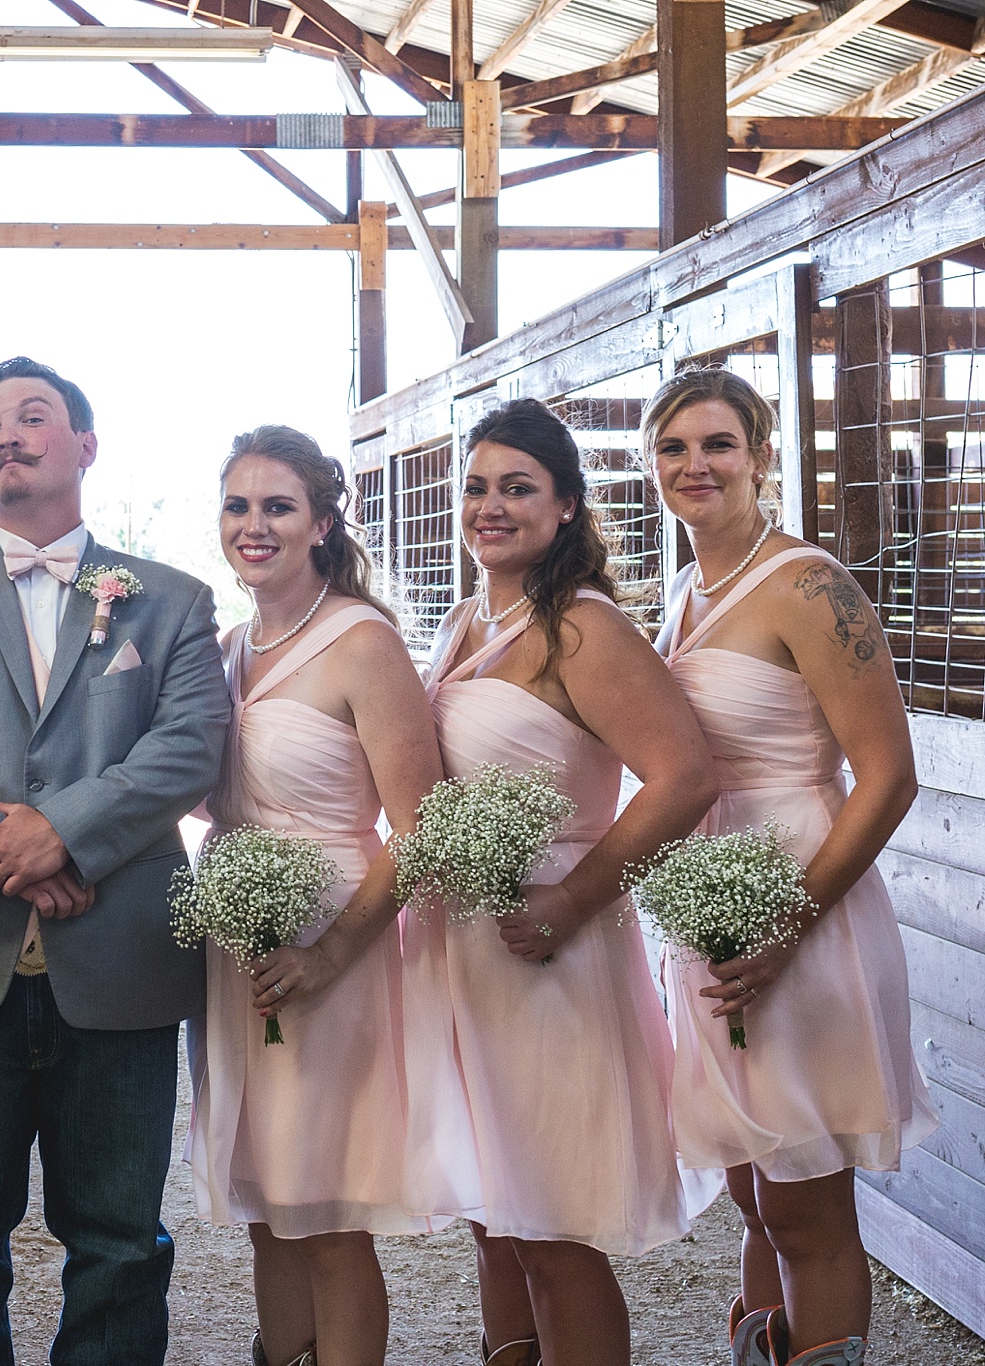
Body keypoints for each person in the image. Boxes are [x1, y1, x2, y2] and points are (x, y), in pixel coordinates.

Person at [0, 356, 230, 1365]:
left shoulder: (169, 598)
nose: (5, 436)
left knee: (116, 1239)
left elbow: (188, 747)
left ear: (84, 446)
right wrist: (4, 850)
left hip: (119, 962)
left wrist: (58, 830)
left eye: (31, 417)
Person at [405, 397, 720, 1366]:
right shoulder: (462, 620)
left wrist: (569, 900)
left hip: (552, 954)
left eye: (516, 488)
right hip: (461, 951)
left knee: (551, 1234)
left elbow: (683, 775)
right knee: (492, 1223)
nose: (489, 506)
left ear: (565, 506)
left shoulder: (579, 628)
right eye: (475, 487)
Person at [645, 368, 937, 1366]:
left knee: (804, 1198)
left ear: (761, 456)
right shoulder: (682, 589)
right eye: (673, 446)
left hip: (803, 909)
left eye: (717, 443)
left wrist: (786, 925)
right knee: (745, 1181)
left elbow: (888, 773)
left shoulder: (806, 583)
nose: (695, 464)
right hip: (709, 917)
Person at [187, 426, 448, 1366]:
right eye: (238, 505)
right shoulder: (222, 648)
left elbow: (424, 831)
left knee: (330, 1208)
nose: (254, 525)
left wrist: (330, 950)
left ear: (323, 524)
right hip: (236, 938)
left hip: (331, 941)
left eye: (278, 506)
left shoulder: (364, 643)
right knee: (269, 1199)